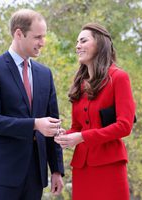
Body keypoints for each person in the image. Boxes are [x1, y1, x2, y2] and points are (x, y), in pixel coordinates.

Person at [0, 9, 64, 200]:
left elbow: (52, 123)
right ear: (18, 34)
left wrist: (56, 169)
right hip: (1, 175)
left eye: (44, 36)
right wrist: (34, 124)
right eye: (37, 37)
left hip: (35, 177)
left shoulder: (45, 74)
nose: (43, 42)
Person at [55, 23, 135, 200]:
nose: (77, 46)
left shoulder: (119, 78)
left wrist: (82, 137)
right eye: (77, 42)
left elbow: (124, 126)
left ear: (99, 43)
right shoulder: (80, 85)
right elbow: (77, 127)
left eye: (83, 41)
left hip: (110, 166)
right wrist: (64, 136)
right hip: (82, 168)